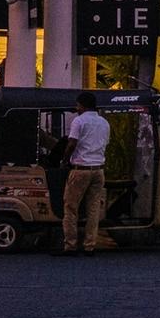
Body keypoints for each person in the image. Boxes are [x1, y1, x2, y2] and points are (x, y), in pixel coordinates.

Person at [55, 92, 110, 257]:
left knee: (71, 207)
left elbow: (72, 143)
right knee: (93, 209)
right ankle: (89, 246)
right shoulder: (104, 123)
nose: (76, 108)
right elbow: (105, 144)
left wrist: (64, 160)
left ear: (83, 105)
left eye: (78, 105)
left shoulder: (79, 121)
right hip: (98, 170)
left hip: (81, 169)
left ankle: (70, 245)